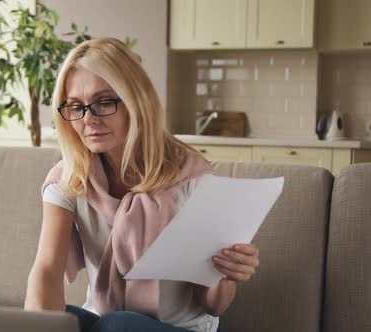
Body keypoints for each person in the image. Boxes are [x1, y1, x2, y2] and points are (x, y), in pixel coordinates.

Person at [24, 37, 260, 332]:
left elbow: (213, 305)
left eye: (104, 102)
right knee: (59, 318)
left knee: (117, 323)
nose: (89, 119)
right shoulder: (67, 179)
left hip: (182, 328)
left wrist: (228, 274)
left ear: (136, 100)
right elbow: (46, 270)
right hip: (105, 324)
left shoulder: (192, 179)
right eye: (75, 107)